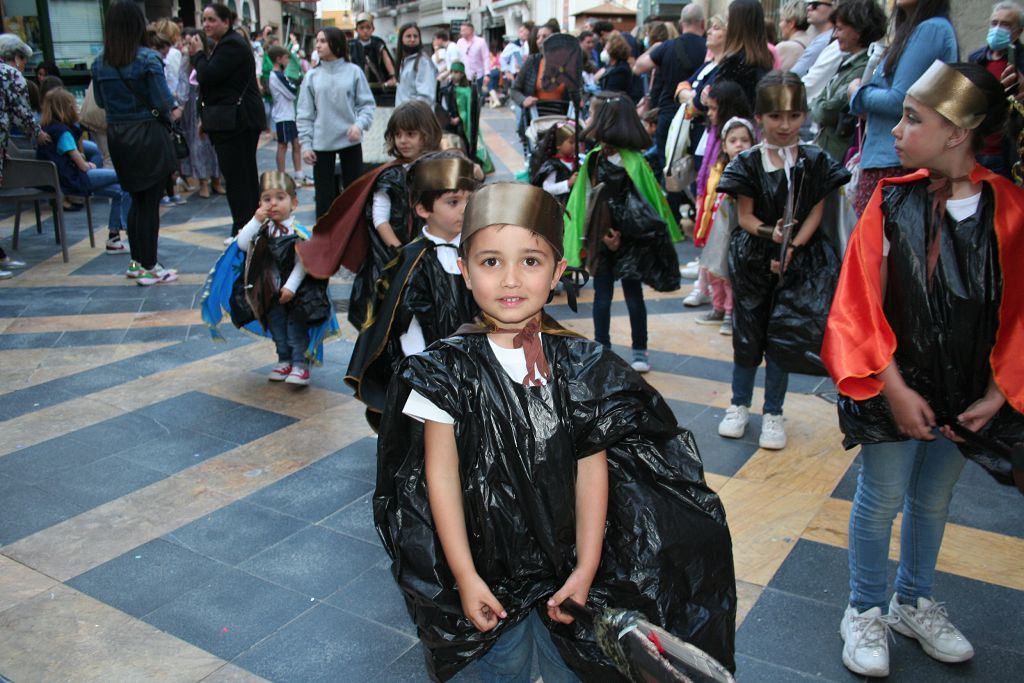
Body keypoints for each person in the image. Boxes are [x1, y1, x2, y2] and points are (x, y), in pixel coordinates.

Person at [375, 181, 736, 681]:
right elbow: (440, 480)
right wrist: (465, 577)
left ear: (558, 273)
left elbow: (593, 474)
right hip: (485, 574)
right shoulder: (444, 374)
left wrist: (586, 568)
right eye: (490, 261)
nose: (510, 279)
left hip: (567, 575)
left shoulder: (583, 370)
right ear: (464, 269)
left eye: (530, 260)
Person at [822, 61, 1024, 678]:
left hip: (967, 390)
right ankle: (863, 608)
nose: (898, 128)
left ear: (958, 132)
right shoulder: (891, 198)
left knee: (933, 498)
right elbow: (857, 301)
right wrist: (897, 389)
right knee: (881, 497)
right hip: (892, 383)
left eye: (913, 118)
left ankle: (912, 600)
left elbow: (1018, 310)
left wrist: (998, 392)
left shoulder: (1010, 209)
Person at [714, 71, 849, 450]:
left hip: (800, 262)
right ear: (760, 117)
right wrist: (771, 236)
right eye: (776, 117)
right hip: (754, 260)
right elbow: (745, 218)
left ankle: (773, 411)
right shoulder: (748, 163)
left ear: (804, 115)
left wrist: (792, 246)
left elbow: (817, 213)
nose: (785, 125)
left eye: (794, 116)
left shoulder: (816, 162)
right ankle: (739, 404)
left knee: (783, 336)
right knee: (748, 334)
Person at [345, 152, 479, 428]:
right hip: (429, 371)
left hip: (474, 368)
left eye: (470, 199)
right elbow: (405, 327)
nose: (465, 209)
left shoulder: (479, 251)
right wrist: (426, 375)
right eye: (453, 202)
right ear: (422, 210)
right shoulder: (411, 260)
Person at [563, 92, 682, 373]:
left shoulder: (635, 163)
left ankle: (639, 349)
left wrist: (623, 236)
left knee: (633, 296)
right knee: (602, 297)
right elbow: (586, 202)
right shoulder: (593, 161)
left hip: (631, 241)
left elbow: (644, 206)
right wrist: (601, 235)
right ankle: (601, 347)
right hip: (602, 239)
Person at [297, 100, 442, 331]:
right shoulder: (390, 175)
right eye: (398, 134)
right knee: (389, 317)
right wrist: (399, 250)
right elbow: (379, 218)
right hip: (391, 257)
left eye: (411, 134)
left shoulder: (440, 169)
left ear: (427, 134)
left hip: (432, 252)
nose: (403, 140)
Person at [202, 171, 338, 386]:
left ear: (293, 203)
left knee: (295, 328)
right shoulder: (262, 230)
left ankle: (300, 363)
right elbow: (242, 244)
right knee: (277, 327)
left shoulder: (298, 232)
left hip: (297, 295)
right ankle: (283, 359)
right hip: (268, 292)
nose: (273, 204)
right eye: (267, 199)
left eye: (280, 198)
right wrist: (256, 220)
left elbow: (303, 263)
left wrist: (291, 287)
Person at [90, 1, 181, 285]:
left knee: (134, 200)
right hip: (147, 135)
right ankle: (150, 266)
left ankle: (137, 263)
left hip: (118, 136)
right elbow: (164, 101)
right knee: (149, 202)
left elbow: (102, 102)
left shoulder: (99, 63)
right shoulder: (147, 60)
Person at [848, 0, 957, 216]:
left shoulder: (931, 29)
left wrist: (857, 93)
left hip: (896, 161)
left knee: (877, 243)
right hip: (890, 158)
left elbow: (900, 99)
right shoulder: (918, 29)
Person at [188, 3, 266, 238]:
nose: (206, 25)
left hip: (238, 123)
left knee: (239, 179)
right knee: (240, 178)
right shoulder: (226, 44)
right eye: (204, 20)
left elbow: (208, 76)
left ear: (226, 22)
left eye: (212, 20)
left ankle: (244, 228)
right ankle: (247, 227)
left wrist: (198, 54)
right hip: (233, 122)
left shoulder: (231, 44)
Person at [35, 88, 131, 255]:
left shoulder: (46, 129)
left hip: (61, 179)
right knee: (126, 178)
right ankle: (126, 232)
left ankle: (114, 239)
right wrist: (90, 165)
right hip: (75, 179)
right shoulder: (64, 133)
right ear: (67, 108)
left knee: (119, 192)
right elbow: (81, 165)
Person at [296, 27, 375, 220]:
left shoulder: (354, 72)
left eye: (323, 41)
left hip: (351, 142)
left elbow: (367, 105)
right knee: (323, 197)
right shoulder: (312, 76)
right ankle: (324, 241)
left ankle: (354, 235)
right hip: (321, 144)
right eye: (318, 40)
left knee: (354, 194)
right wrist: (306, 145)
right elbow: (305, 113)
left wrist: (359, 125)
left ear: (336, 44)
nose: (318, 45)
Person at [688, 80, 754, 310]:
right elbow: (706, 170)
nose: (710, 113)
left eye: (714, 108)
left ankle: (728, 309)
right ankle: (716, 303)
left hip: (731, 222)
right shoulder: (716, 135)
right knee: (713, 262)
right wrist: (700, 194)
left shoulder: (742, 150)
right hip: (712, 211)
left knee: (726, 267)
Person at [694, 117, 756, 336]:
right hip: (716, 229)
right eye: (733, 140)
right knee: (714, 271)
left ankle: (730, 312)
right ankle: (718, 307)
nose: (739, 145)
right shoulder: (719, 169)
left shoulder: (752, 170)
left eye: (744, 140)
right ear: (724, 145)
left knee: (729, 273)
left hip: (736, 231)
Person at [810, 0, 888, 162]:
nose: (835, 35)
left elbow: (827, 112)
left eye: (839, 29)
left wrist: (817, 105)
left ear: (858, 31)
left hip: (841, 154)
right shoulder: (850, 62)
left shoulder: (865, 67)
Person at [633, 4, 706, 170]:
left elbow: (638, 67)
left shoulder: (667, 46)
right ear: (703, 23)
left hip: (669, 115)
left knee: (668, 171)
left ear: (681, 23)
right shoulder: (709, 48)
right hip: (698, 116)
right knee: (695, 171)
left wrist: (655, 47)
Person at [968, 1, 1024, 176]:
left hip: (1007, 154)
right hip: (975, 150)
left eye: (1006, 25)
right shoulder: (976, 59)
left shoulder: (1022, 63)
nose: (998, 28)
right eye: (995, 23)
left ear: (1019, 31)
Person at [178, 27, 222, 199]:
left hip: (210, 107)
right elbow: (182, 86)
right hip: (192, 110)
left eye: (193, 42)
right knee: (198, 146)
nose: (190, 46)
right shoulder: (186, 62)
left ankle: (216, 179)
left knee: (213, 146)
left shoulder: (209, 58)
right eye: (188, 43)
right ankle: (203, 181)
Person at [715, 0, 777, 109]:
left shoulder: (733, 62)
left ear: (737, 25)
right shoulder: (765, 59)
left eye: (728, 21)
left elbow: (720, 101)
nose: (726, 26)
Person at [437, 62, 494, 173]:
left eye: (457, 72)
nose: (454, 75)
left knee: (466, 144)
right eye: (452, 72)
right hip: (450, 123)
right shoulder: (448, 87)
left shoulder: (467, 91)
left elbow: (469, 110)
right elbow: (439, 97)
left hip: (463, 124)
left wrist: (460, 118)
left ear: (462, 74)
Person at [266, 45, 308, 186]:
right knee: (283, 145)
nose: (288, 60)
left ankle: (299, 174)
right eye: (285, 58)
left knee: (296, 144)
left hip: (290, 115)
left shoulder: (281, 75)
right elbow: (291, 92)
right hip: (283, 116)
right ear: (278, 59)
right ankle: (282, 177)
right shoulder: (276, 76)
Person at [528, 120, 579, 204]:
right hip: (559, 206)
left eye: (576, 142)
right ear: (558, 145)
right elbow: (547, 188)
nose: (575, 146)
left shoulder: (577, 161)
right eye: (571, 142)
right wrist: (568, 183)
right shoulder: (553, 165)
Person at [394, 22, 437, 107]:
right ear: (401, 39)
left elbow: (426, 97)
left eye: (415, 36)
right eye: (408, 36)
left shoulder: (423, 62)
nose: (412, 39)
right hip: (402, 116)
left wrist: (410, 115)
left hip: (416, 116)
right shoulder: (404, 62)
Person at [349, 13, 397, 87]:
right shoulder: (351, 45)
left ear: (373, 29)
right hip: (357, 83)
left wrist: (393, 76)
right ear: (356, 30)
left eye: (368, 27)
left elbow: (387, 60)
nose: (365, 31)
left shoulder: (378, 42)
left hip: (378, 83)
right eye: (361, 28)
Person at [792, 0, 835, 77]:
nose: (809, 8)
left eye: (815, 5)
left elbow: (795, 75)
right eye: (808, 4)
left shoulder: (825, 41)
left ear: (832, 7)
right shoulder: (822, 38)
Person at [596, 33, 637, 101]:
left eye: (606, 49)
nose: (603, 51)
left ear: (613, 50)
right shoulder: (612, 67)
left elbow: (611, 93)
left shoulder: (621, 70)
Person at [776, 0, 812, 71]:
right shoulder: (813, 42)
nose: (779, 25)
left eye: (781, 20)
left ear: (791, 24)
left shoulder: (784, 47)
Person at [456, 22, 489, 92]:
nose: (461, 32)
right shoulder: (460, 42)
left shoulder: (481, 42)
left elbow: (486, 58)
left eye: (464, 30)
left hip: (478, 75)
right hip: (464, 76)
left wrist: (487, 74)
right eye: (461, 30)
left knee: (477, 97)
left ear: (470, 30)